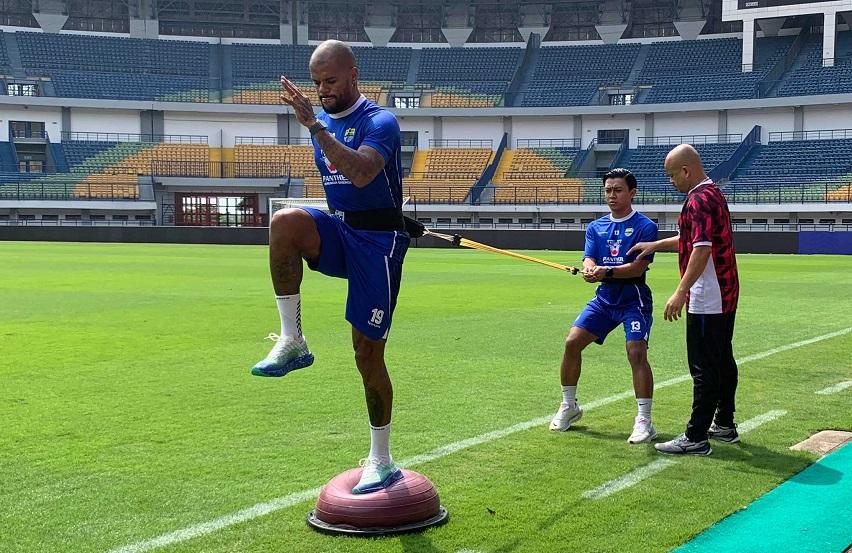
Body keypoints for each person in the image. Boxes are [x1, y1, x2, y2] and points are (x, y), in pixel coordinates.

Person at [251, 40, 409, 493]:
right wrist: (318, 125)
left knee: (366, 354)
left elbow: (362, 173)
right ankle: (293, 340)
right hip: (342, 230)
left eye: (331, 81)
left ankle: (382, 460)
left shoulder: (379, 121)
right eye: (317, 83)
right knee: (285, 222)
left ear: (354, 75)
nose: (323, 90)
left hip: (378, 245)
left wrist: (316, 128)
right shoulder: (321, 121)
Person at [628, 144, 740, 456]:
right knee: (722, 359)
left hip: (708, 296)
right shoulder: (712, 193)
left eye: (672, 175)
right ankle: (725, 423)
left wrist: (680, 291)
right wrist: (654, 245)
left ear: (686, 171)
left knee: (703, 366)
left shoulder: (698, 200)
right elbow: (691, 239)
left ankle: (696, 436)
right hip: (725, 292)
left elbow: (701, 250)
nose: (671, 181)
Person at [549, 168, 659, 444]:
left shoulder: (646, 226)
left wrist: (605, 271)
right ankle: (569, 405)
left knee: (636, 352)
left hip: (633, 299)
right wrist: (590, 269)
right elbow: (589, 258)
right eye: (608, 190)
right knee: (572, 342)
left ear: (632, 193)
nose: (612, 195)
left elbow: (638, 268)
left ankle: (644, 420)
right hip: (604, 299)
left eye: (618, 190)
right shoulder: (595, 227)